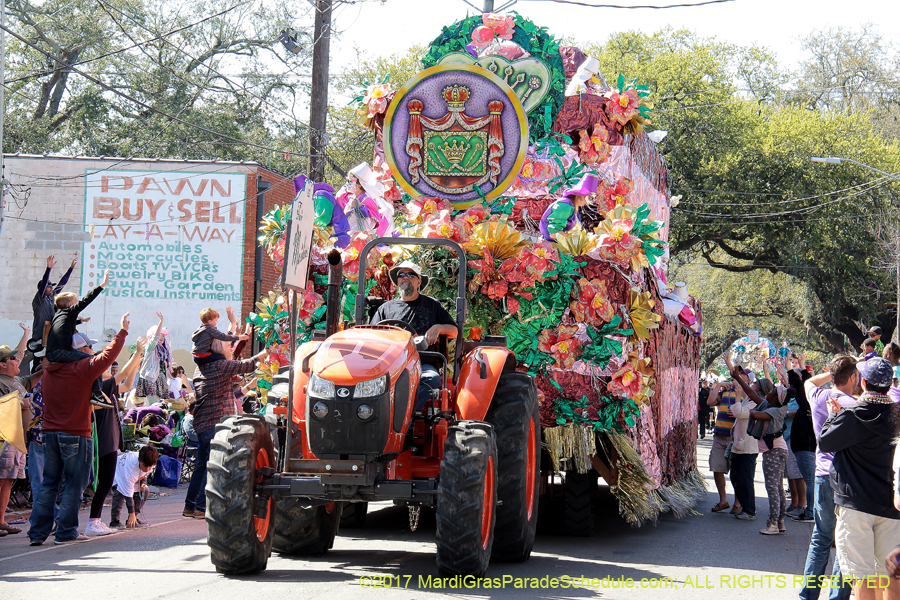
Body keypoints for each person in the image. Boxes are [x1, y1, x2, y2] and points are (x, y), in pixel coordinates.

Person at [27, 312, 129, 546]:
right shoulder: (82, 369)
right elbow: (109, 356)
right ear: (79, 351)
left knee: (49, 484)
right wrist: (122, 331)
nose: (91, 352)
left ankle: (37, 534)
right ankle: (65, 532)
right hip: (76, 434)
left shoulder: (50, 373)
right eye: (88, 348)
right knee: (74, 483)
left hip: (49, 434)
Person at [819, 357, 900, 600]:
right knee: (890, 574)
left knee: (862, 577)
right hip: (890, 506)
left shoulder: (852, 414)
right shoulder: (897, 415)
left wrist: (834, 415)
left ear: (862, 381)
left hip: (856, 505)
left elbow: (825, 442)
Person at [183, 343, 269, 519]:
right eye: (227, 346)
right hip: (216, 423)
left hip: (203, 423)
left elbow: (235, 372)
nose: (230, 349)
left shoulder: (204, 367)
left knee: (201, 466)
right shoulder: (219, 366)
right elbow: (247, 364)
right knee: (212, 465)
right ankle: (201, 507)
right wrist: (269, 350)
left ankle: (190, 506)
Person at [800, 355, 859, 600]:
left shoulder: (818, 397)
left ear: (833, 377)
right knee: (844, 541)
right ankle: (837, 596)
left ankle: (808, 594)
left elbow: (810, 382)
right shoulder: (854, 404)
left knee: (820, 538)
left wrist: (831, 372)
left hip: (822, 474)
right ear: (854, 377)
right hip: (846, 478)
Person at [370, 260, 457, 410]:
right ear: (397, 282)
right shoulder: (385, 309)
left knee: (432, 378)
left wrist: (437, 328)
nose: (405, 277)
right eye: (401, 275)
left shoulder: (432, 305)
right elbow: (370, 336)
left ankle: (405, 414)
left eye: (410, 274)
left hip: (422, 363)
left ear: (418, 282)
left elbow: (454, 331)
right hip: (389, 364)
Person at [85, 338, 145, 537]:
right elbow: (124, 375)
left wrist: (137, 361)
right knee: (101, 484)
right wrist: (136, 354)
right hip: (102, 442)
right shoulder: (99, 388)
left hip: (110, 442)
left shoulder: (107, 389)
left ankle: (95, 521)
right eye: (107, 366)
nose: (110, 368)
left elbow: (128, 383)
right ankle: (92, 522)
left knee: (105, 484)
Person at [734, 368, 790, 534]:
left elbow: (756, 415)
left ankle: (773, 522)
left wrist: (746, 411)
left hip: (775, 452)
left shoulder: (775, 411)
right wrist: (738, 377)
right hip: (775, 451)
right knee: (777, 487)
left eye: (772, 392)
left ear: (776, 398)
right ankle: (780, 521)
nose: (769, 392)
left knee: (772, 488)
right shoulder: (768, 405)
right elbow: (751, 393)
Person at [0, 323, 41, 538]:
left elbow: (24, 357)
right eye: (12, 359)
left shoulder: (17, 380)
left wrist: (48, 366)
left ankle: (1, 521)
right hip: (4, 440)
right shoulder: (1, 382)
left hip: (17, 440)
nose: (17, 360)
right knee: (1, 480)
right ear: (1, 364)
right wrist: (18, 403)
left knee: (8, 480)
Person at [45, 269, 108, 364]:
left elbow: (65, 325)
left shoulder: (58, 315)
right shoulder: (70, 310)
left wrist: (80, 322)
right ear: (70, 304)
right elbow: (86, 300)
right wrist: (102, 285)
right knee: (94, 361)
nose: (77, 303)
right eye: (76, 301)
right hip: (61, 352)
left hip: (49, 354)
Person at [728, 363, 762, 522]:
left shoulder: (756, 402)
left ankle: (750, 510)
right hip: (739, 445)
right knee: (735, 476)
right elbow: (737, 381)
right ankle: (743, 506)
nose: (751, 386)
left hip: (748, 446)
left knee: (745, 478)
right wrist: (729, 364)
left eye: (753, 384)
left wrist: (737, 397)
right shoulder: (748, 398)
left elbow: (741, 413)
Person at [31, 255, 75, 371]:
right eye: (49, 287)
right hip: (39, 338)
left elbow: (62, 283)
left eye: (51, 287)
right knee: (37, 365)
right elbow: (44, 283)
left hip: (49, 337)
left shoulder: (51, 298)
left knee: (48, 364)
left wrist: (70, 269)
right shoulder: (39, 299)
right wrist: (48, 268)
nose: (51, 289)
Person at [707, 374, 739, 514]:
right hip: (720, 435)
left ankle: (738, 503)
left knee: (737, 472)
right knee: (717, 467)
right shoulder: (724, 393)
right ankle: (723, 500)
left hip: (736, 438)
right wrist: (719, 386)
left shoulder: (747, 394)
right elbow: (710, 402)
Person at [109, 446, 158, 530]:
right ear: (139, 460)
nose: (147, 469)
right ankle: (114, 520)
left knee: (145, 490)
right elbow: (128, 496)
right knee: (119, 494)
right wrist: (131, 512)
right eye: (145, 466)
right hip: (118, 474)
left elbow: (144, 474)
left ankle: (133, 518)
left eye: (150, 466)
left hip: (133, 477)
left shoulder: (149, 461)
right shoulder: (129, 472)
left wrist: (142, 483)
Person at [539, 173, 599, 242]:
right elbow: (554, 233)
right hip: (552, 247)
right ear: (580, 194)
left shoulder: (573, 208)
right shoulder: (565, 206)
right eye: (588, 198)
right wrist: (575, 242)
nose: (587, 202)